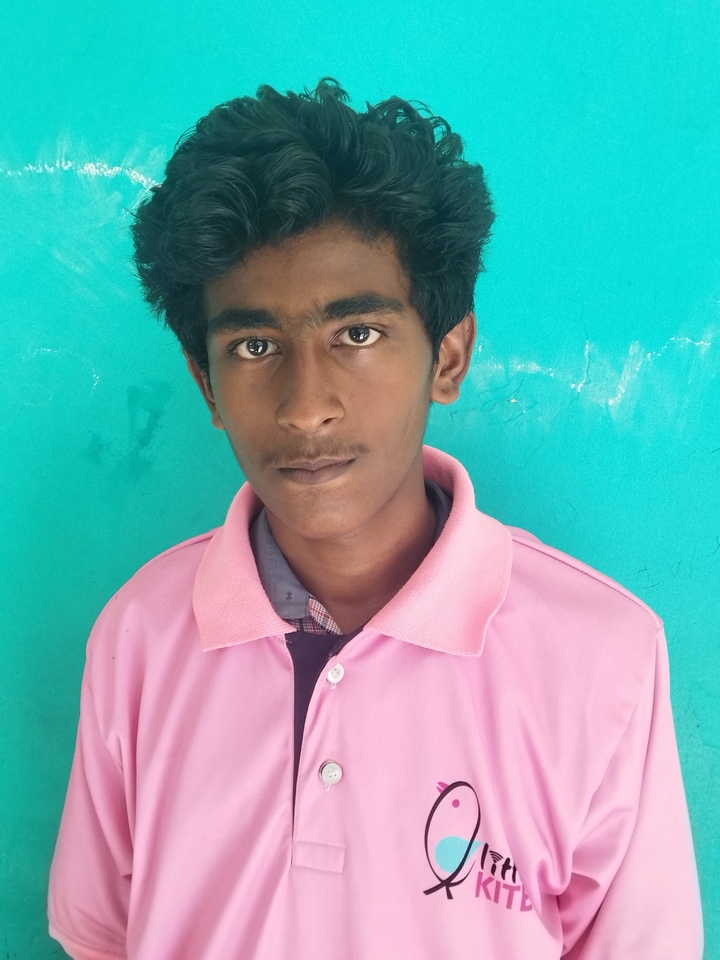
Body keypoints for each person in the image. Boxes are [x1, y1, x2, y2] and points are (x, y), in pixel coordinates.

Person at [48, 79, 703, 959]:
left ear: (450, 356)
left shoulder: (605, 656)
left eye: (356, 334)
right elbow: (99, 936)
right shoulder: (139, 635)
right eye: (253, 346)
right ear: (206, 384)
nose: (305, 406)